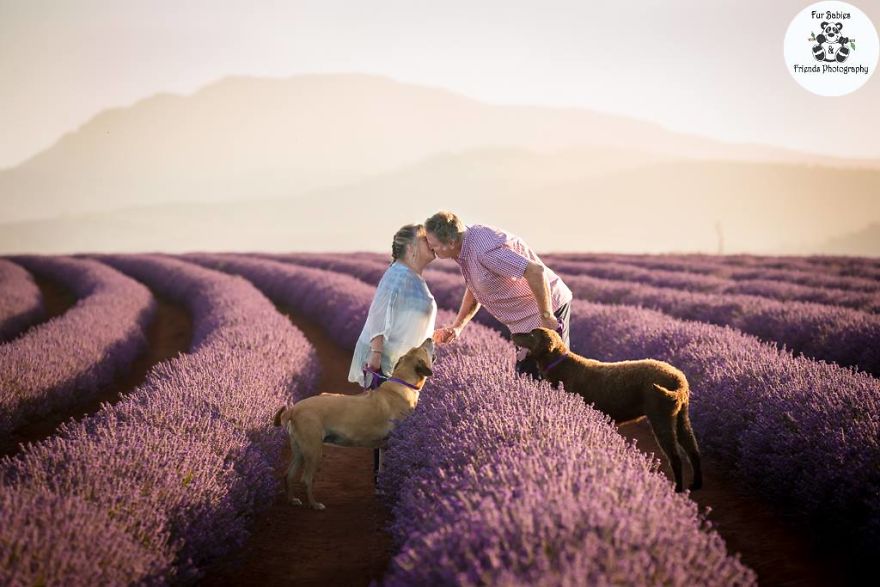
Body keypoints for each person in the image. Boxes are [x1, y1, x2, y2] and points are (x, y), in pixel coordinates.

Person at [425, 210, 572, 381]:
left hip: (545, 309)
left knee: (550, 378)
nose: (430, 248)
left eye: (432, 244)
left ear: (450, 242)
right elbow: (475, 287)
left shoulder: (484, 252)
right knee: (528, 380)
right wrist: (458, 326)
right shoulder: (464, 246)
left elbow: (535, 272)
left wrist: (546, 316)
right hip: (523, 320)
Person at [348, 223, 438, 481]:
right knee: (386, 423)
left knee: (393, 422)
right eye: (424, 240)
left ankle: (386, 479)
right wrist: (376, 354)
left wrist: (433, 335)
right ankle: (383, 481)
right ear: (411, 248)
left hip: (404, 363)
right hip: (389, 360)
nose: (430, 243)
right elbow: (380, 314)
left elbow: (408, 317)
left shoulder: (412, 276)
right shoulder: (398, 275)